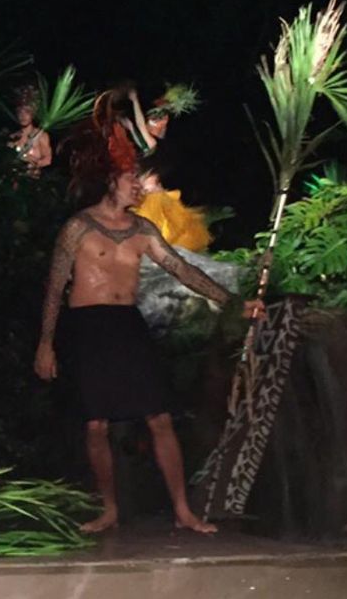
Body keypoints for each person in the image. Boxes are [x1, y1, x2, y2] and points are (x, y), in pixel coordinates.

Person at [34, 142, 260, 534]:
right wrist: (45, 343)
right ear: (111, 181)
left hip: (126, 324)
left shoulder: (142, 229)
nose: (139, 186)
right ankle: (109, 509)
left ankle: (183, 511)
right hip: (88, 327)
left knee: (160, 417)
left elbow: (181, 269)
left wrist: (231, 302)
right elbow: (54, 287)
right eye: (131, 179)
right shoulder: (78, 227)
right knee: (96, 425)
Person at [132, 167, 213, 252]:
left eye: (159, 184)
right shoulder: (150, 201)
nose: (160, 187)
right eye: (157, 183)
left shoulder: (159, 200)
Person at [8, 85, 52, 177]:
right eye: (20, 112)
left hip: (32, 179)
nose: (23, 116)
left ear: (33, 114)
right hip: (15, 179)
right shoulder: (12, 137)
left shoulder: (40, 135)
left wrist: (33, 162)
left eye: (27, 112)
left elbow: (48, 160)